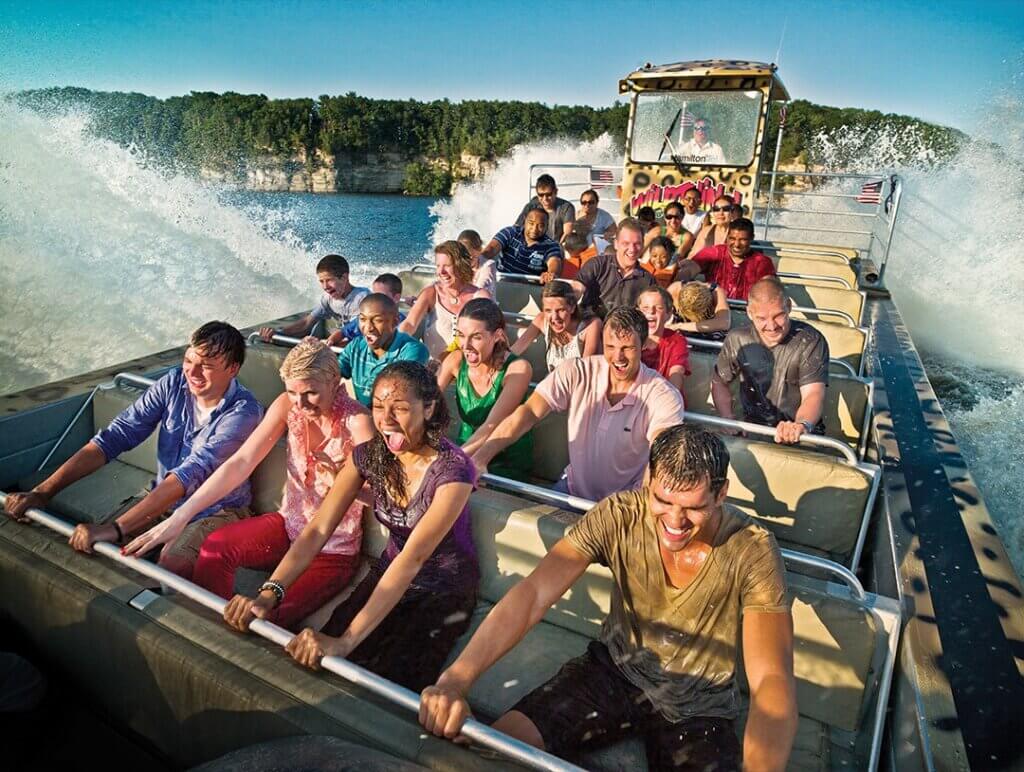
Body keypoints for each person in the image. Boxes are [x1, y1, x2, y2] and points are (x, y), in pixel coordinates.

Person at [419, 425, 797, 772]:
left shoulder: (753, 549)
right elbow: (533, 594)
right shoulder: (619, 515)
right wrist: (455, 681)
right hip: (613, 671)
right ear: (648, 482)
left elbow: (771, 679)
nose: (676, 521)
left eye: (694, 507)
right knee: (494, 753)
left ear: (721, 493)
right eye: (663, 501)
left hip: (699, 709)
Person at [245, 361, 480, 693]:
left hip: (443, 589)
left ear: (428, 408)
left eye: (399, 408)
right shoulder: (368, 456)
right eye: (378, 407)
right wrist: (270, 593)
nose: (385, 419)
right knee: (320, 661)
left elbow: (411, 560)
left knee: (387, 683)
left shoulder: (454, 471)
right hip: (387, 573)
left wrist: (346, 642)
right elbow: (318, 529)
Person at [123, 338, 374, 628]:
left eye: (311, 393)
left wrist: (347, 483)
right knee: (214, 549)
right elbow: (242, 462)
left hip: (332, 552)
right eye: (293, 392)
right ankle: (210, 627)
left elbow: (382, 498)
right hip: (288, 526)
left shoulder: (358, 422)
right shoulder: (286, 406)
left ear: (334, 381)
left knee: (265, 616)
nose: (301, 404)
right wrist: (182, 516)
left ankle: (232, 639)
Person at [3, 322, 262, 573]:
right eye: (188, 361)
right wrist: (42, 492)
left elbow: (191, 473)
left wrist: (117, 528)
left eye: (205, 366)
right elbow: (115, 436)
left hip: (217, 510)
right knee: (96, 547)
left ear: (233, 369)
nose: (192, 373)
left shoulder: (243, 412)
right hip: (166, 498)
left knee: (172, 564)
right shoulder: (173, 383)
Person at [469, 307, 685, 502]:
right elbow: (528, 412)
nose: (617, 356)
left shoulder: (664, 395)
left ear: (644, 346)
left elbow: (662, 455)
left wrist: (639, 508)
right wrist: (481, 457)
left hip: (626, 503)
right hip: (572, 490)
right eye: (610, 346)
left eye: (627, 348)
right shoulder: (576, 371)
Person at [712, 278, 828, 444]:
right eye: (761, 318)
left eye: (778, 316)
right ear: (750, 313)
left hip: (802, 435)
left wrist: (800, 425)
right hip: (753, 430)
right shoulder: (737, 339)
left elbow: (814, 393)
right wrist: (726, 416)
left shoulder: (810, 340)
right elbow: (719, 381)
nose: (771, 326)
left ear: (788, 307)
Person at [437, 299, 533, 480]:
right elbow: (427, 405)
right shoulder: (455, 360)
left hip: (504, 462)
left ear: (497, 335)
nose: (466, 345)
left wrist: (451, 460)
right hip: (463, 451)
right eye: (461, 335)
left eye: (476, 337)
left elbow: (492, 425)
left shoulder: (519, 369)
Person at [400, 240, 491, 361]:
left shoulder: (480, 296)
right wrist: (394, 343)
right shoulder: (431, 293)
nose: (441, 272)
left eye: (447, 266)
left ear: (460, 265)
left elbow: (491, 334)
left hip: (468, 368)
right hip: (432, 368)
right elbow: (410, 323)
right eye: (438, 266)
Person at [339, 293, 430, 406]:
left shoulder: (413, 351)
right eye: (362, 319)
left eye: (378, 320)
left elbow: (397, 395)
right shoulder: (356, 347)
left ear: (395, 321)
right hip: (364, 417)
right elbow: (331, 374)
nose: (368, 328)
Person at [259, 255, 368, 347]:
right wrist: (278, 333)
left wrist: (327, 345)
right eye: (321, 281)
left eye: (329, 280)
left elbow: (363, 336)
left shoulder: (363, 299)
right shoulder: (327, 298)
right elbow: (306, 324)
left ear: (344, 277)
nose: (325, 286)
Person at [573, 218, 658, 319]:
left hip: (625, 331)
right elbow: (576, 288)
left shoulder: (648, 281)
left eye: (637, 244)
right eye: (626, 243)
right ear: (616, 244)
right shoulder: (597, 265)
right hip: (590, 326)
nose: (632, 249)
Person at [511, 281, 603, 372]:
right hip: (553, 383)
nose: (554, 317)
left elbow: (585, 370)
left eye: (560, 310)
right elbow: (514, 351)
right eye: (548, 310)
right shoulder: (541, 320)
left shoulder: (591, 325)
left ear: (572, 308)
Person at [677, 218, 776, 301]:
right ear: (727, 237)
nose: (737, 244)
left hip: (746, 312)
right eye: (732, 239)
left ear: (752, 238)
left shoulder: (762, 261)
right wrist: (682, 279)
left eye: (743, 240)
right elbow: (690, 268)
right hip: (712, 308)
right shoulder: (715, 252)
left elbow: (769, 286)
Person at [481, 208, 563, 282]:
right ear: (525, 221)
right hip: (503, 282)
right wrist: (480, 259)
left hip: (531, 286)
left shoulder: (551, 245)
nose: (534, 229)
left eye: (541, 226)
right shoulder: (510, 232)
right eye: (531, 223)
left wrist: (551, 273)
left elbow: (554, 262)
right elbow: (491, 248)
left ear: (547, 226)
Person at [638, 286, 689, 392]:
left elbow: (676, 374)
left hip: (664, 397)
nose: (651, 311)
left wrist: (668, 398)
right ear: (638, 312)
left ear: (668, 314)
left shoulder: (677, 341)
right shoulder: (629, 337)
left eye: (658, 308)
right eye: (645, 308)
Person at [336, 273, 407, 343]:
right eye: (374, 295)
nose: (375, 299)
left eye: (381, 296)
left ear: (396, 298)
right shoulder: (364, 318)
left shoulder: (401, 323)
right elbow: (343, 332)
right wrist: (331, 341)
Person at [515, 173, 575, 243]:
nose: (545, 199)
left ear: (555, 191)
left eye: (548, 194)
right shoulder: (531, 206)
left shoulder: (566, 207)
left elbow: (567, 233)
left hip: (555, 246)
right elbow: (517, 227)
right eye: (541, 195)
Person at [456, 230, 498, 297]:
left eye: (471, 257)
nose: (467, 260)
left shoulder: (488, 265)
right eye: (464, 256)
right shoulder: (456, 264)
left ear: (480, 250)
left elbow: (479, 290)